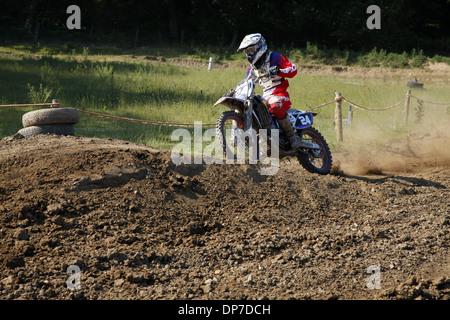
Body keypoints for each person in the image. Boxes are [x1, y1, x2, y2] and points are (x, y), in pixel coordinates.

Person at [237, 33, 303, 150]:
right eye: (247, 52)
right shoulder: (253, 68)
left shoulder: (274, 57)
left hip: (280, 93)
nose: (249, 54)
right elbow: (247, 83)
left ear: (260, 45)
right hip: (266, 95)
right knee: (254, 108)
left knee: (274, 105)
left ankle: (293, 137)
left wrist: (280, 71)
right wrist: (235, 92)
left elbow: (293, 69)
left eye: (251, 49)